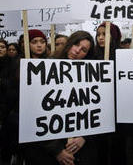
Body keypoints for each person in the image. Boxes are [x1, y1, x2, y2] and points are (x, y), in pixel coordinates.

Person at [23, 31, 96, 165]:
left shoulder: (90, 75)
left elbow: (95, 111)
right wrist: (56, 150)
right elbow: (34, 113)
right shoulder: (45, 67)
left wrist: (85, 136)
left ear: (87, 55)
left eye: (84, 49)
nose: (77, 50)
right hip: (47, 151)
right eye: (76, 44)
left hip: (78, 149)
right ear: (69, 43)